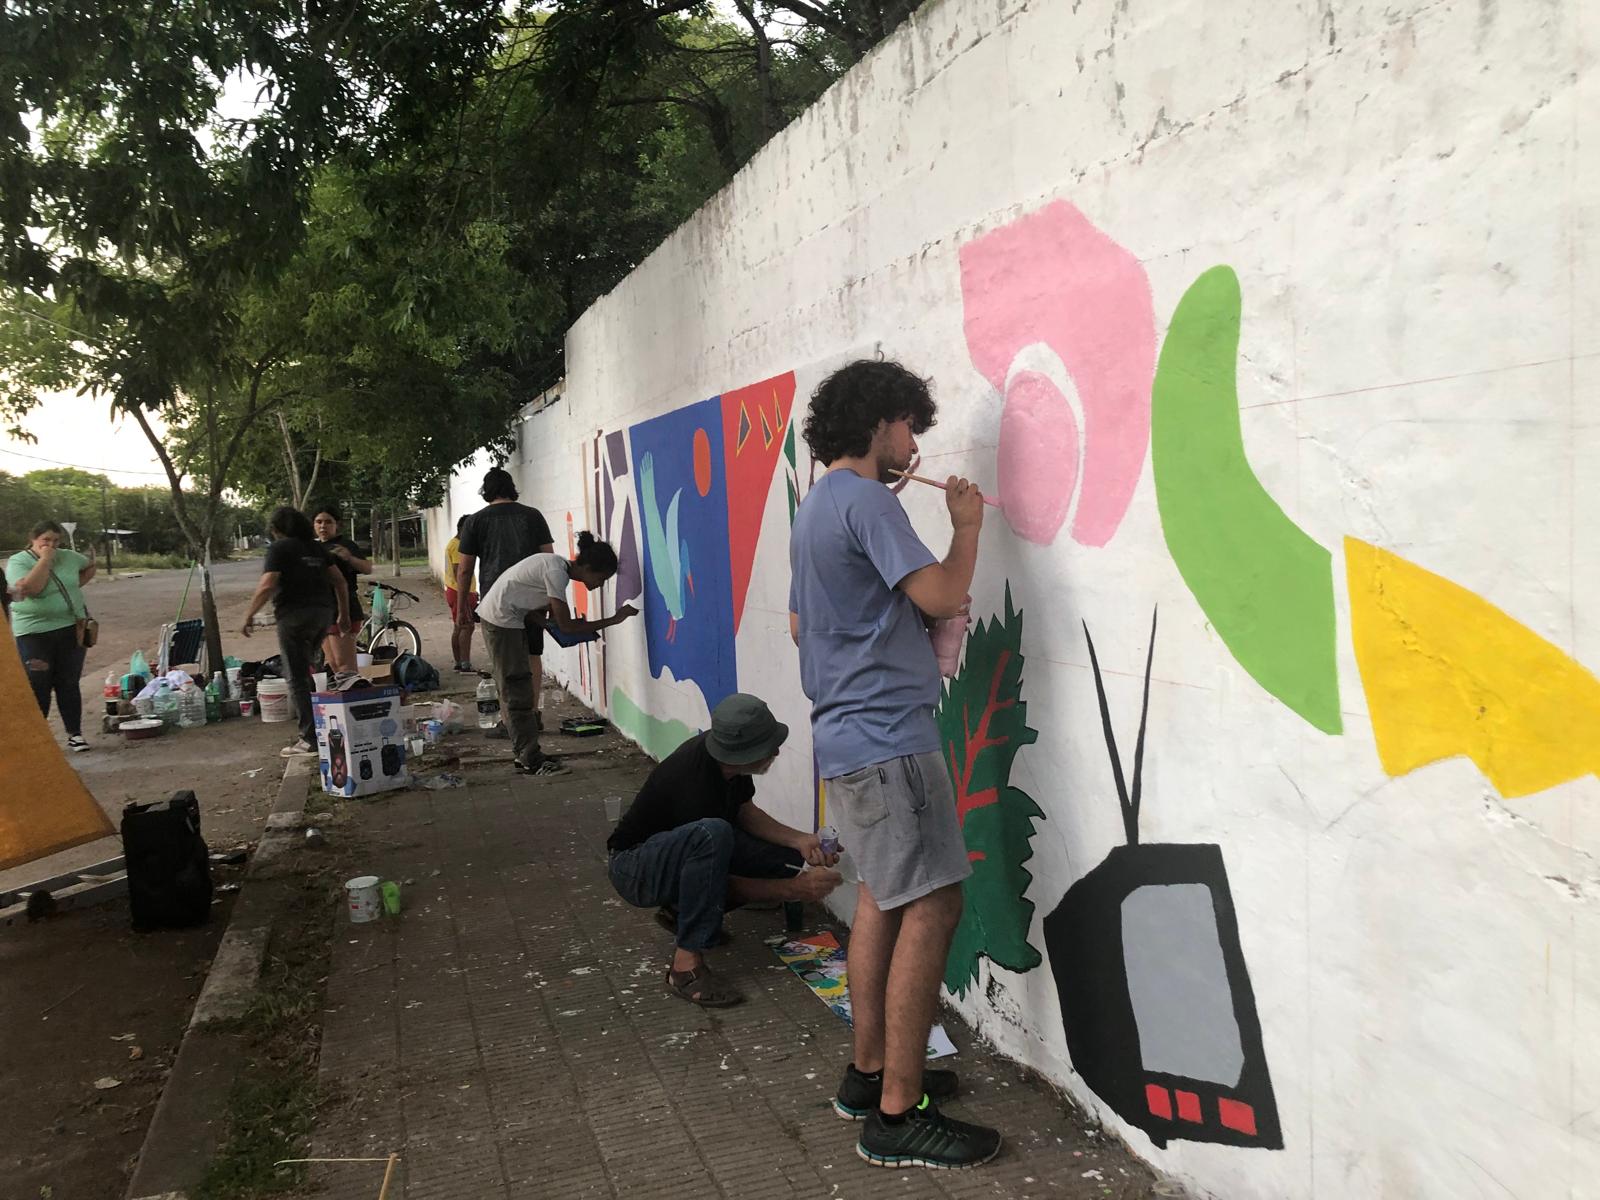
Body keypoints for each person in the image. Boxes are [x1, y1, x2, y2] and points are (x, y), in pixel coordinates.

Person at [788, 359, 999, 1169]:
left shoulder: (819, 504)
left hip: (849, 738)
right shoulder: (867, 501)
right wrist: (967, 527)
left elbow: (804, 624)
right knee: (935, 902)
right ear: (879, 422)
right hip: (888, 741)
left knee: (883, 896)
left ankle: (870, 1074)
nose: (914, 445)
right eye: (909, 426)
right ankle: (898, 1113)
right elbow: (941, 595)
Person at [608, 693, 842, 1008]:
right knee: (714, 834)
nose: (775, 752)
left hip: (673, 855)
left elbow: (745, 812)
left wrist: (800, 840)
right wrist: (792, 889)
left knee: (784, 859)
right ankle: (684, 969)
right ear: (742, 754)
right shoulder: (691, 781)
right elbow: (717, 881)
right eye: (767, 747)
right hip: (634, 867)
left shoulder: (727, 762)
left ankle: (679, 912)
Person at [475, 532, 636, 776]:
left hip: (505, 619)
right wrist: (614, 619)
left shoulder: (556, 566)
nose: (600, 585)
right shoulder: (556, 573)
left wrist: (548, 623)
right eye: (602, 578)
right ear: (588, 568)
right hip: (501, 622)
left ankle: (527, 754)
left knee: (519, 688)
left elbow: (524, 597)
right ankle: (530, 759)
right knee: (517, 691)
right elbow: (567, 626)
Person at [240, 506, 351, 757]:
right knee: (305, 670)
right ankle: (318, 728)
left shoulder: (279, 548)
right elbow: (340, 581)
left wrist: (249, 614)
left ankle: (310, 739)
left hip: (294, 617)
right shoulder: (317, 548)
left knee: (296, 676)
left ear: (276, 529)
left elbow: (267, 584)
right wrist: (343, 614)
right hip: (322, 615)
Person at [455, 467, 555, 731]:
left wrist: (462, 606)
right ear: (512, 488)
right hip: (532, 599)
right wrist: (552, 600)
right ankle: (532, 714)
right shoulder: (533, 516)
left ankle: (510, 721)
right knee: (532, 654)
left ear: (486, 491)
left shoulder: (475, 521)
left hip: (496, 602)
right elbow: (549, 558)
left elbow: (464, 570)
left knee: (503, 662)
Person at [5, 520, 96, 752]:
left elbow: (90, 564)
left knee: (68, 682)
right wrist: (45, 559)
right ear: (33, 540)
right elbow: (31, 588)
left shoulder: (69, 557)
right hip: (34, 633)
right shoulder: (19, 561)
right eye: (45, 540)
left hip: (70, 628)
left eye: (55, 540)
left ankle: (75, 734)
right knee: (38, 683)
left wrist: (76, 585)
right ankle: (39, 739)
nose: (51, 545)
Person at [313, 504, 371, 685]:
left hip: (344, 608)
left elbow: (367, 568)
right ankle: (345, 695)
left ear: (337, 525)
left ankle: (356, 695)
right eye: (318, 522)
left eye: (328, 522)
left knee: (346, 667)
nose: (323, 526)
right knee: (334, 664)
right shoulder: (313, 548)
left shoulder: (345, 545)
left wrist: (349, 558)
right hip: (322, 611)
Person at [443, 515, 478, 672]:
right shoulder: (458, 546)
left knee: (459, 626)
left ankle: (459, 662)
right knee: (466, 627)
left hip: (455, 590)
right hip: (460, 591)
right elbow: (461, 572)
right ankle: (465, 663)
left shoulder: (453, 544)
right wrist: (466, 595)